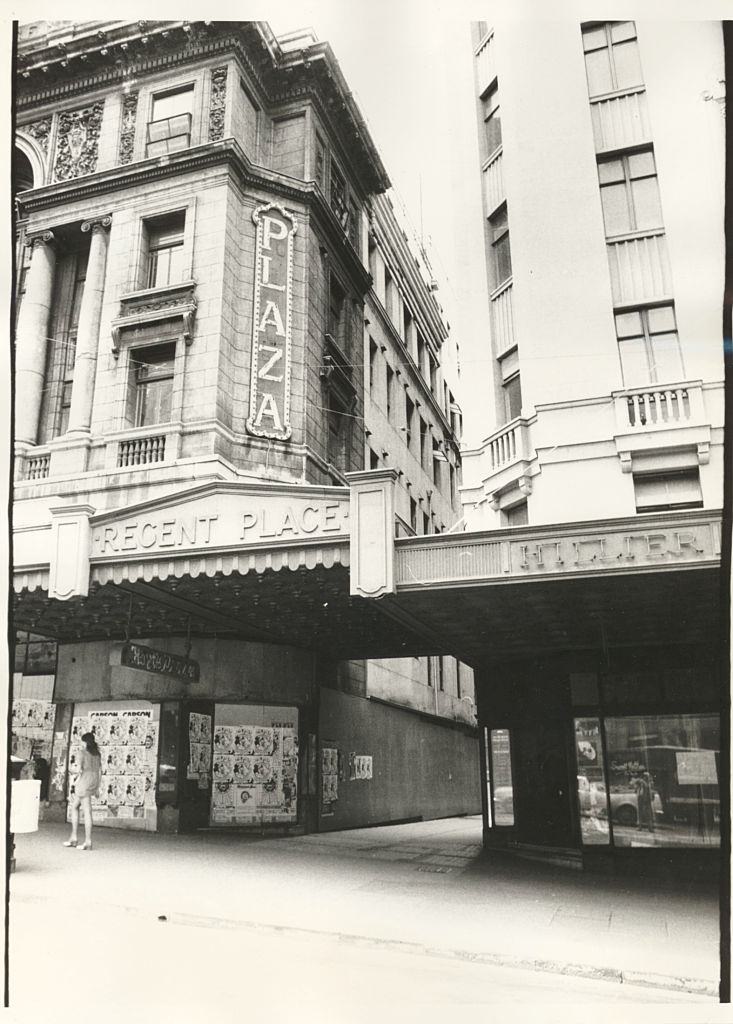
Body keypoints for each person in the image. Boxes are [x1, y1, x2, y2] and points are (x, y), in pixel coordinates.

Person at [64, 732, 101, 850]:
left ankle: (87, 841)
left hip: (84, 781)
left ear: (84, 742)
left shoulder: (81, 753)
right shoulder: (97, 754)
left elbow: (78, 770)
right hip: (93, 781)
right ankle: (73, 838)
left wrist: (71, 769)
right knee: (75, 806)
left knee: (86, 811)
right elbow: (100, 772)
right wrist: (97, 787)